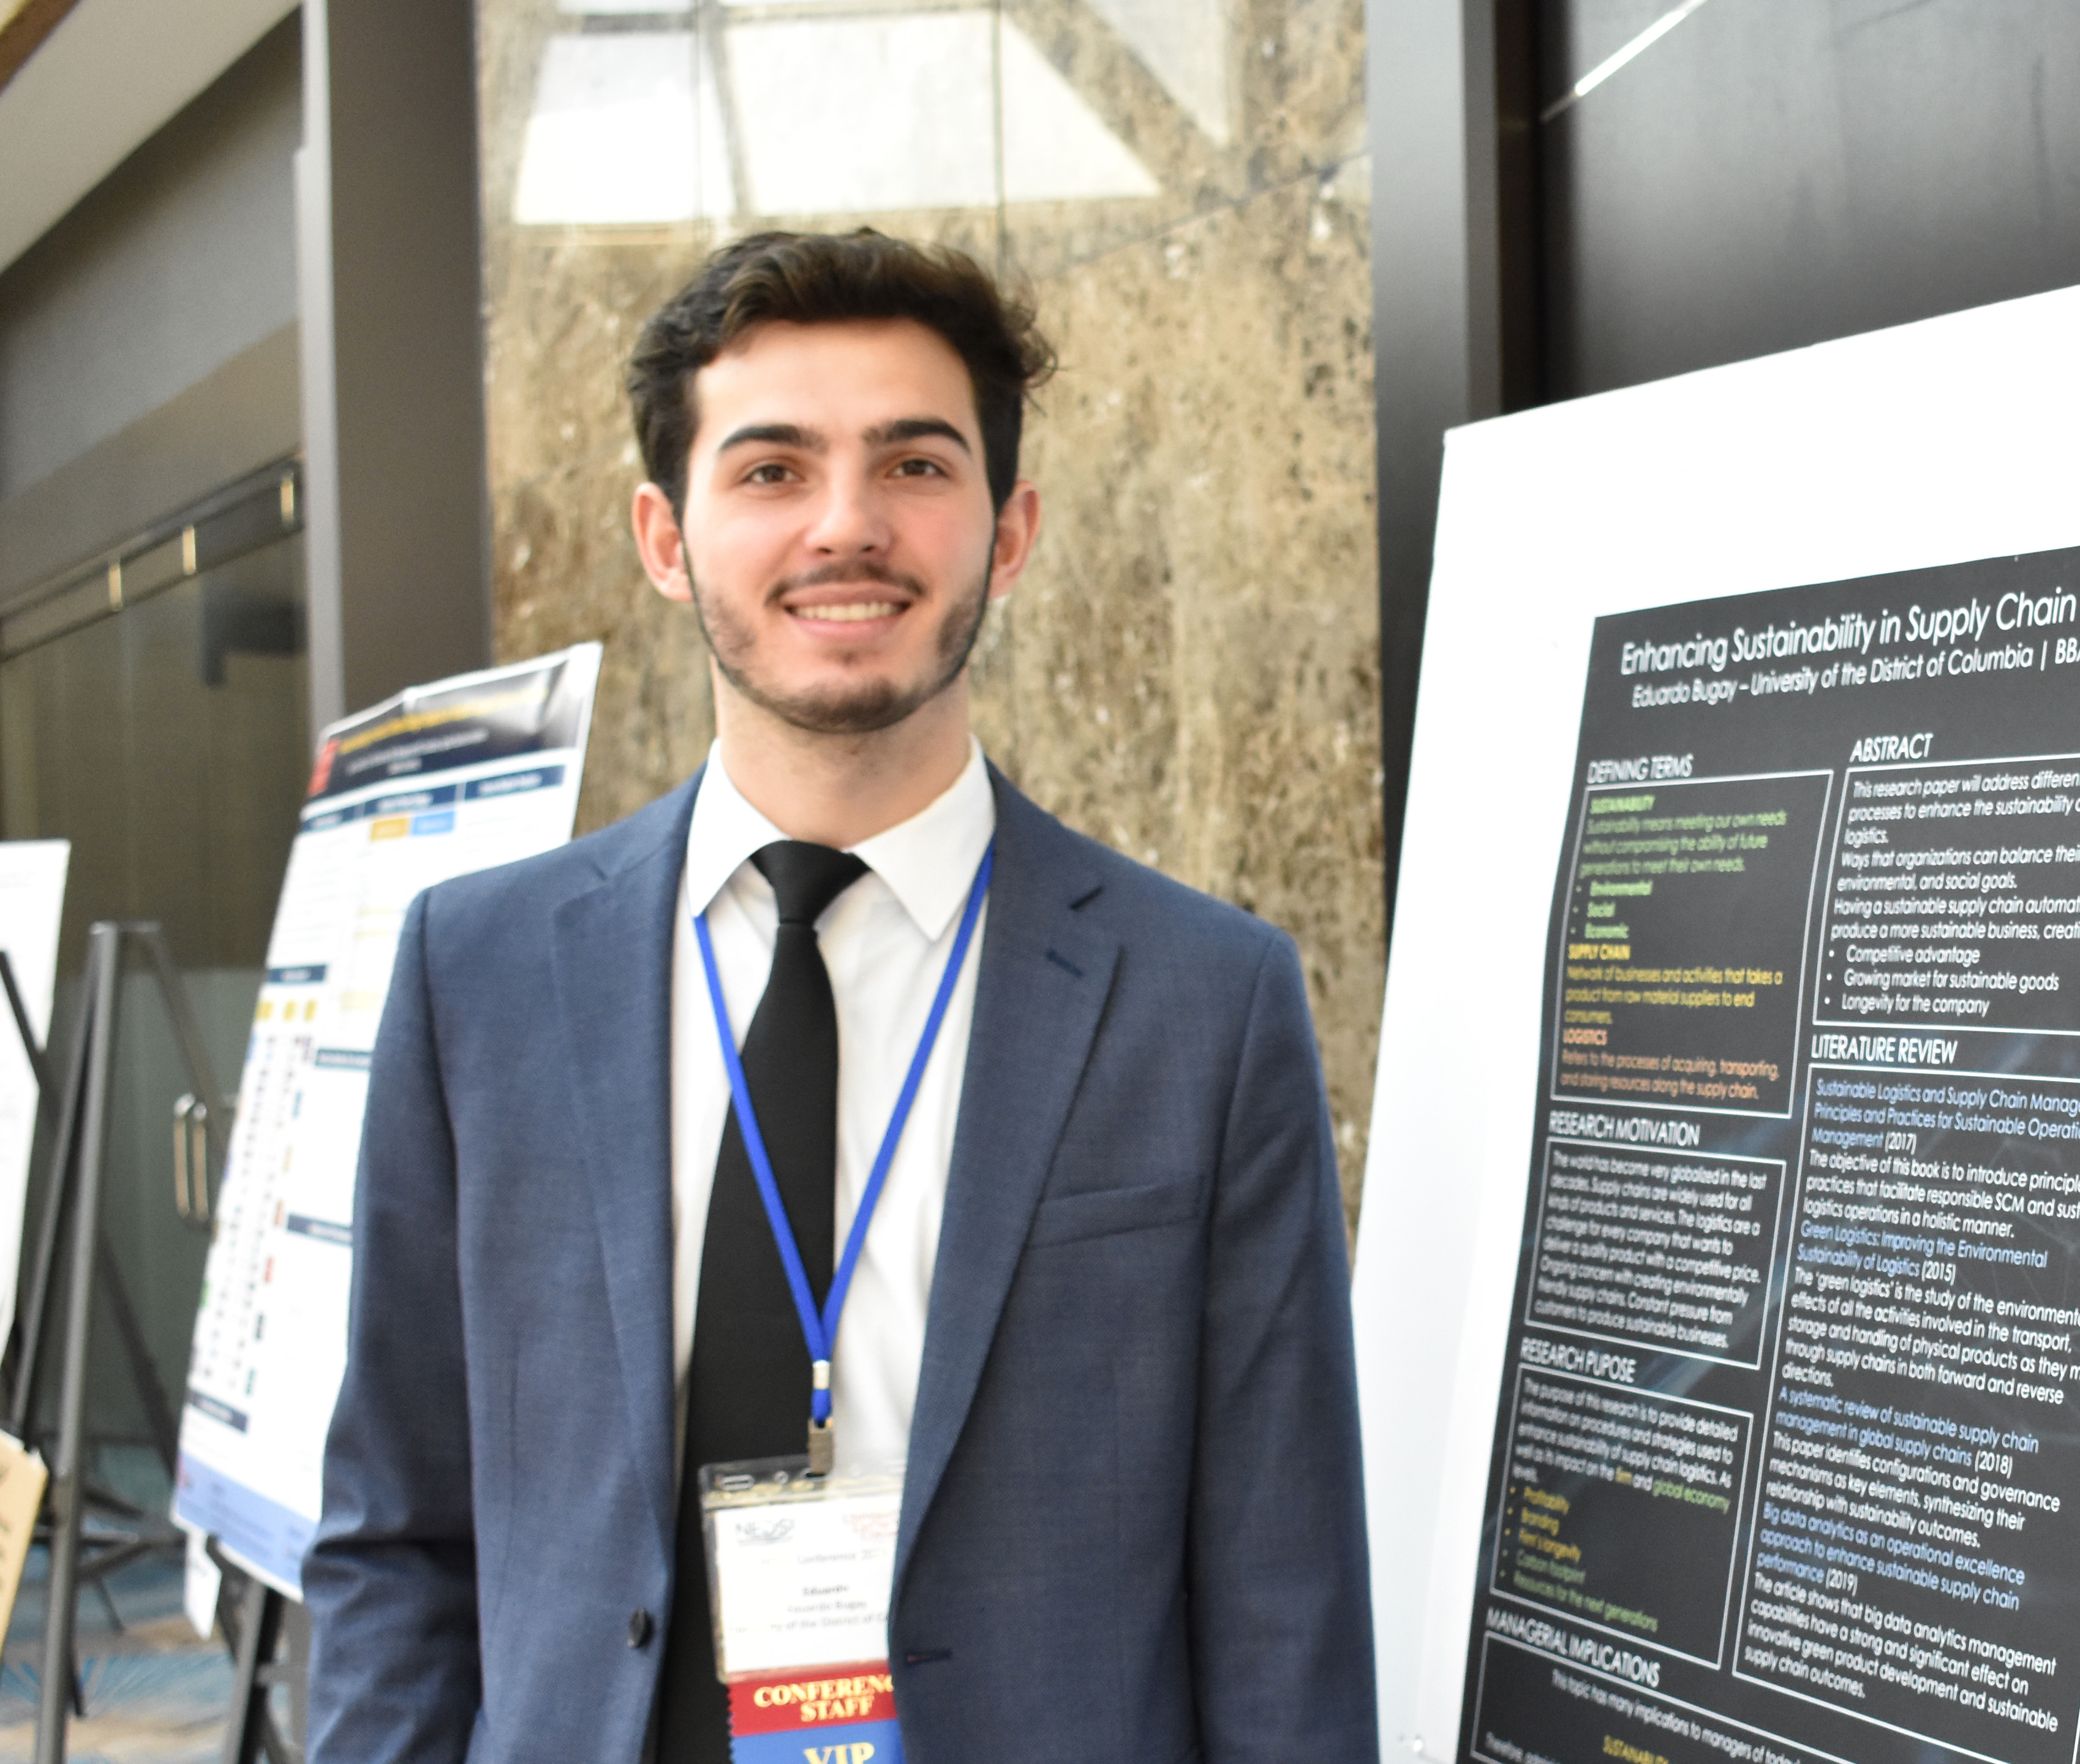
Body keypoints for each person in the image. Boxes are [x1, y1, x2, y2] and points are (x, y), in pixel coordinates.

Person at [303, 230, 1374, 1763]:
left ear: (1007, 534)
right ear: (665, 538)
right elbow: (397, 1534)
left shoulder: (1205, 1002)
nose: (847, 527)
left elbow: (1286, 1593)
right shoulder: (478, 975)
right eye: (770, 470)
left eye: (916, 466)